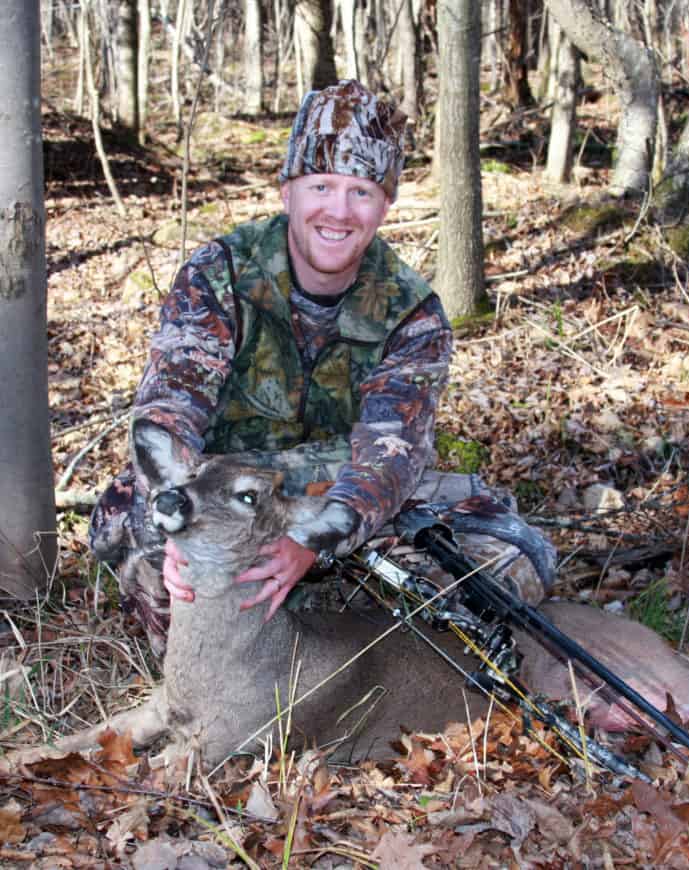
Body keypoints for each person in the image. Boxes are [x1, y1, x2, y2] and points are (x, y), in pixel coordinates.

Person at [90, 80, 555, 657]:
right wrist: (178, 514)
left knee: (514, 557)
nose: (338, 210)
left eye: (361, 191)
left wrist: (314, 539)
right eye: (321, 186)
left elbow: (391, 454)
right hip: (228, 491)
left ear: (386, 205)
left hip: (347, 496)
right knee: (126, 521)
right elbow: (170, 407)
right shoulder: (219, 274)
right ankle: (238, 662)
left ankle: (346, 637)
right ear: (287, 192)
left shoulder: (413, 313)